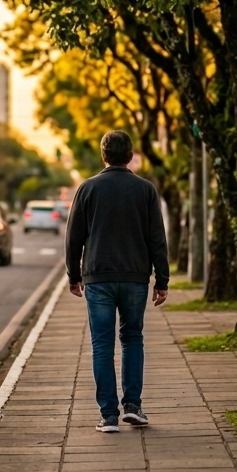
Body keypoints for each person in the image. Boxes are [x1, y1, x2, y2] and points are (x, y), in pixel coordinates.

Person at [65, 130, 168, 433]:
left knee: (102, 344)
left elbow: (74, 237)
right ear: (130, 154)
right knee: (132, 339)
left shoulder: (88, 189)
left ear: (104, 155)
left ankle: (108, 416)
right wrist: (161, 279)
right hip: (135, 277)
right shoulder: (145, 190)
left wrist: (74, 274)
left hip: (98, 277)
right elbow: (157, 239)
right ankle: (133, 407)